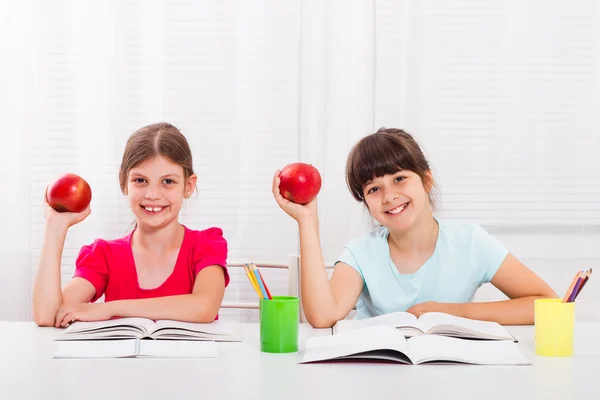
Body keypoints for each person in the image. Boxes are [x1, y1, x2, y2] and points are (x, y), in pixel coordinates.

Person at [272, 128, 557, 328]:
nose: (389, 196)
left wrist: (448, 313)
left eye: (399, 179)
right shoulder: (362, 252)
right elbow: (323, 317)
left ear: (426, 181)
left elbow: (548, 303)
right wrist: (307, 221)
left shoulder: (470, 242)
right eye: (374, 189)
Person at [32, 122, 229, 327]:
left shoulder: (206, 245)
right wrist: (55, 228)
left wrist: (109, 309)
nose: (152, 195)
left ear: (188, 186)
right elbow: (48, 315)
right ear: (123, 182)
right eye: (140, 180)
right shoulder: (104, 255)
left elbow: (205, 306)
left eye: (168, 181)